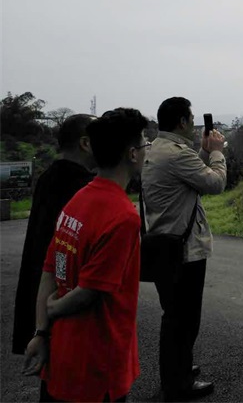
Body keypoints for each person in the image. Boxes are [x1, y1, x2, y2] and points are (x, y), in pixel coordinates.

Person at [23, 108, 148, 402]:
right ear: (132, 154)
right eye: (145, 145)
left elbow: (48, 272)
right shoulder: (122, 217)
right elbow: (91, 291)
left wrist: (41, 332)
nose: (146, 152)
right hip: (97, 365)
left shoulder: (78, 199)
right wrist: (52, 310)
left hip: (62, 356)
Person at [142, 97, 226, 401]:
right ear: (182, 122)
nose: (193, 124)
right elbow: (214, 183)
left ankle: (178, 370)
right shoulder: (177, 155)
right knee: (184, 318)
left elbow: (190, 172)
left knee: (175, 314)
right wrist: (216, 152)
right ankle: (177, 384)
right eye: (190, 119)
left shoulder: (157, 149)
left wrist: (203, 151)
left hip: (164, 245)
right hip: (183, 250)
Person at [12, 114, 96, 357]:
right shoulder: (81, 186)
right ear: (86, 143)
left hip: (43, 294)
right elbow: (61, 250)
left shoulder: (50, 176)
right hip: (64, 301)